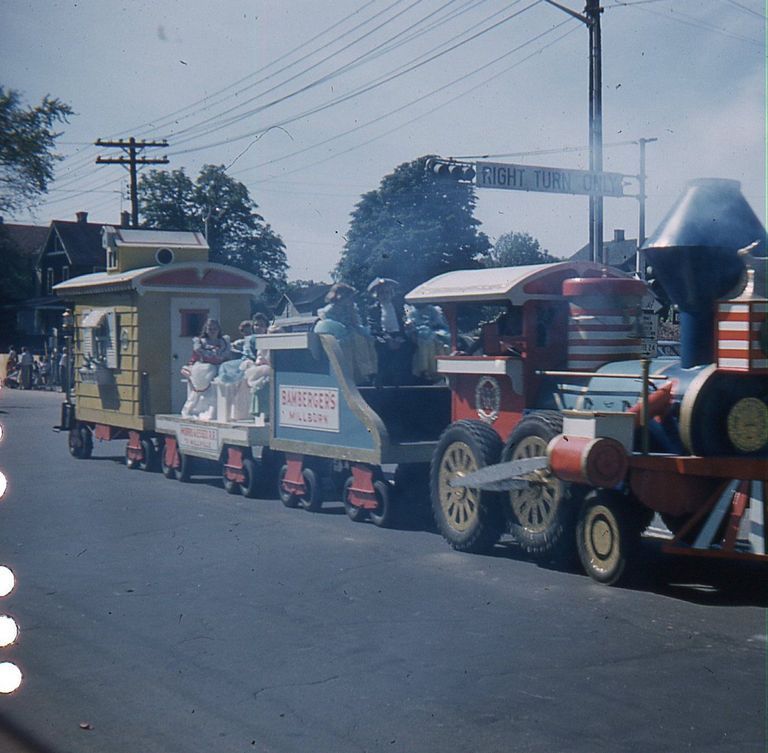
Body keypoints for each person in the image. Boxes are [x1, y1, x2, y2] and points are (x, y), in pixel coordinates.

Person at [315, 283, 377, 384]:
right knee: (349, 345)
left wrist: (365, 333)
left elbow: (356, 324)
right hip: (339, 339)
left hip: (352, 338)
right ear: (340, 297)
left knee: (364, 340)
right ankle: (349, 378)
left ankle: (366, 374)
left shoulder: (351, 309)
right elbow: (330, 327)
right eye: (349, 297)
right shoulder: (329, 312)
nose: (351, 300)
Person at [367, 277, 415, 387]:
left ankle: (402, 379)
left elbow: (407, 316)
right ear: (377, 295)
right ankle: (380, 379)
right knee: (382, 350)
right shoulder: (373, 309)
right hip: (382, 337)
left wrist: (408, 322)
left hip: (399, 335)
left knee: (410, 347)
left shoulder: (399, 306)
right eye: (382, 293)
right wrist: (388, 338)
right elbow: (374, 326)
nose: (385, 295)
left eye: (387, 292)